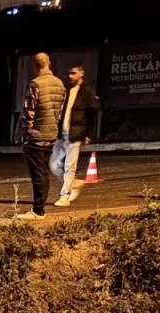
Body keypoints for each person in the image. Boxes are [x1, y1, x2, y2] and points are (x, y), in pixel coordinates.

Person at [16, 53, 66, 221]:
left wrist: (25, 134)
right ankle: (40, 207)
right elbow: (59, 112)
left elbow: (28, 112)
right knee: (44, 172)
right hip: (51, 134)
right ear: (49, 63)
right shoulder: (60, 84)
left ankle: (38, 210)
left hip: (36, 135)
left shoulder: (35, 84)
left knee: (37, 173)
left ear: (35, 65)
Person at [51, 65, 99, 207]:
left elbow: (93, 113)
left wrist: (88, 133)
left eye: (73, 73)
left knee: (69, 167)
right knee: (54, 165)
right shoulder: (66, 90)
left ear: (81, 74)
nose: (70, 76)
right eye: (69, 73)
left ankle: (65, 196)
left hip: (76, 134)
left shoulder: (86, 91)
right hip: (61, 134)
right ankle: (74, 183)